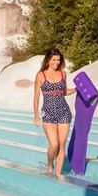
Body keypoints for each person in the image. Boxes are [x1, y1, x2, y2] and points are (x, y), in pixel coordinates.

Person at [33, 48, 75, 176]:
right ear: (48, 60)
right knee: (54, 144)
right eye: (54, 60)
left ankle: (58, 174)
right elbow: (36, 97)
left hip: (64, 112)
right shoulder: (41, 75)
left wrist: (77, 89)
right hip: (48, 112)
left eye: (58, 60)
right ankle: (50, 166)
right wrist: (36, 115)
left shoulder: (63, 74)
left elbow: (64, 92)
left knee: (62, 145)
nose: (57, 62)